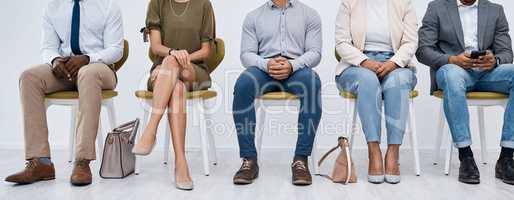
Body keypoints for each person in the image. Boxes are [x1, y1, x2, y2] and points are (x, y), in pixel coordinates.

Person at [5, 0, 124, 186]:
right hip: (66, 70)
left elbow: (116, 49)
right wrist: (54, 60)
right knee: (29, 77)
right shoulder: (53, 7)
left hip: (99, 68)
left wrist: (87, 58)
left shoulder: (108, 5)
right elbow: (48, 46)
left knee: (88, 73)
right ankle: (41, 162)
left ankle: (82, 161)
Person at [417, 0, 514, 185]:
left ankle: (506, 158)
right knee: (452, 75)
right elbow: (423, 50)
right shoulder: (437, 7)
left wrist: (495, 60)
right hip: (454, 70)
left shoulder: (496, 11)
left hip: (488, 73)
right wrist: (452, 59)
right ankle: (466, 156)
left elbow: (506, 53)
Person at [232, 0, 322, 186]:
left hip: (297, 69)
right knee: (242, 85)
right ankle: (249, 160)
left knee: (312, 82)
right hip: (264, 69)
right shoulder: (253, 17)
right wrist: (267, 64)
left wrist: (291, 65)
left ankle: (300, 160)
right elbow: (246, 54)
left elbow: (315, 53)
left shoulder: (310, 14)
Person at [131, 0, 215, 191]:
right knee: (176, 88)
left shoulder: (203, 4)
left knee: (171, 62)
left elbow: (206, 50)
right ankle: (181, 162)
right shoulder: (157, 3)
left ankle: (150, 131)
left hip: (194, 70)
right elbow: (156, 46)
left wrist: (178, 58)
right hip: (163, 74)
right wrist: (172, 56)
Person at [335, 0, 418, 184]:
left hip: (395, 63)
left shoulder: (404, 4)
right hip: (356, 64)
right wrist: (365, 62)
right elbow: (341, 43)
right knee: (368, 80)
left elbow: (411, 42)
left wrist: (393, 63)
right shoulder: (349, 3)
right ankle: (374, 151)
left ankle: (393, 152)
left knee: (398, 81)